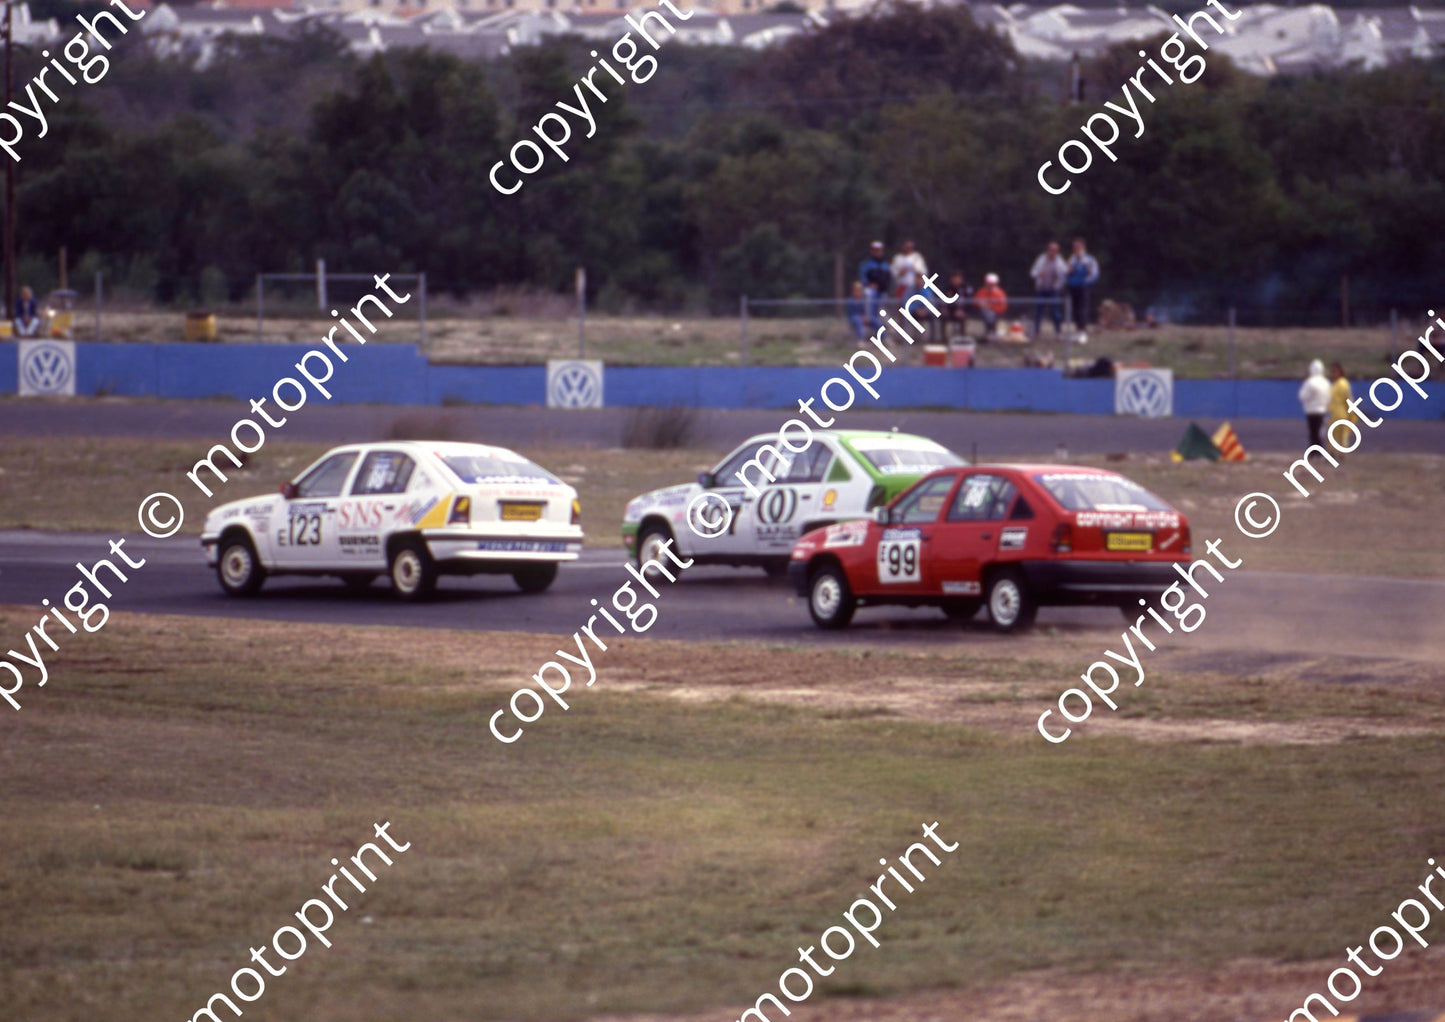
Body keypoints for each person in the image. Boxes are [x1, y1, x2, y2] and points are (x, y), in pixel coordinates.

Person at [1030, 241, 1067, 339]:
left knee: (1055, 312)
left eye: (1055, 250)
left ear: (1057, 251)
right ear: (1047, 250)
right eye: (1051, 250)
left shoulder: (1060, 261)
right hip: (1041, 289)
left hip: (1053, 290)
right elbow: (1032, 272)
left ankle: (1058, 332)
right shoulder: (1041, 259)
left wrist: (1057, 287)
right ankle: (1036, 331)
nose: (1053, 252)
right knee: (1038, 311)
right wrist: (1037, 275)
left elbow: (1064, 275)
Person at [1066, 238, 1100, 336]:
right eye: (1074, 247)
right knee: (1075, 309)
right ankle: (1078, 329)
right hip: (1073, 287)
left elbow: (1094, 274)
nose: (1075, 249)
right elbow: (1067, 271)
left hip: (1083, 287)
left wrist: (1084, 282)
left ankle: (1083, 330)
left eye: (1077, 247)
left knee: (1082, 308)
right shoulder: (1072, 258)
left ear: (1083, 247)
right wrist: (1068, 272)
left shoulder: (1088, 259)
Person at [857, 240, 891, 332]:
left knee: (882, 313)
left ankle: (887, 333)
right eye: (875, 250)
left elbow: (888, 279)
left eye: (879, 250)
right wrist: (869, 284)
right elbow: (862, 277)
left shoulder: (885, 265)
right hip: (871, 294)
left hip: (882, 293)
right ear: (871, 251)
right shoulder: (867, 264)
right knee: (870, 312)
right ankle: (868, 331)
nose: (877, 252)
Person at [1298, 359, 1330, 448]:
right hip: (1322, 410)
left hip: (1311, 411)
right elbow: (1329, 396)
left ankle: (1314, 451)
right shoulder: (1326, 382)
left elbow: (1302, 396)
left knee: (1313, 432)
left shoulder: (1309, 382)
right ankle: (1319, 451)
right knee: (1320, 432)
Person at [973, 273, 1008, 340]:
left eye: (992, 284)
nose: (990, 286)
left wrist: (991, 307)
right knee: (987, 313)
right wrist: (981, 304)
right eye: (988, 284)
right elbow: (975, 303)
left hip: (997, 313)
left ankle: (990, 333)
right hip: (982, 312)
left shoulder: (1000, 293)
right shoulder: (981, 291)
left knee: (990, 314)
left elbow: (1003, 307)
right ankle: (989, 333)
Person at [1328, 362, 1356, 433]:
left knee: (1340, 440)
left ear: (1340, 371)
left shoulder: (1342, 384)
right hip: (1335, 415)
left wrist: (1351, 415)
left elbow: (1348, 400)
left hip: (1340, 415)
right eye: (1332, 371)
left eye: (1334, 371)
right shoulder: (1335, 384)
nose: (1333, 373)